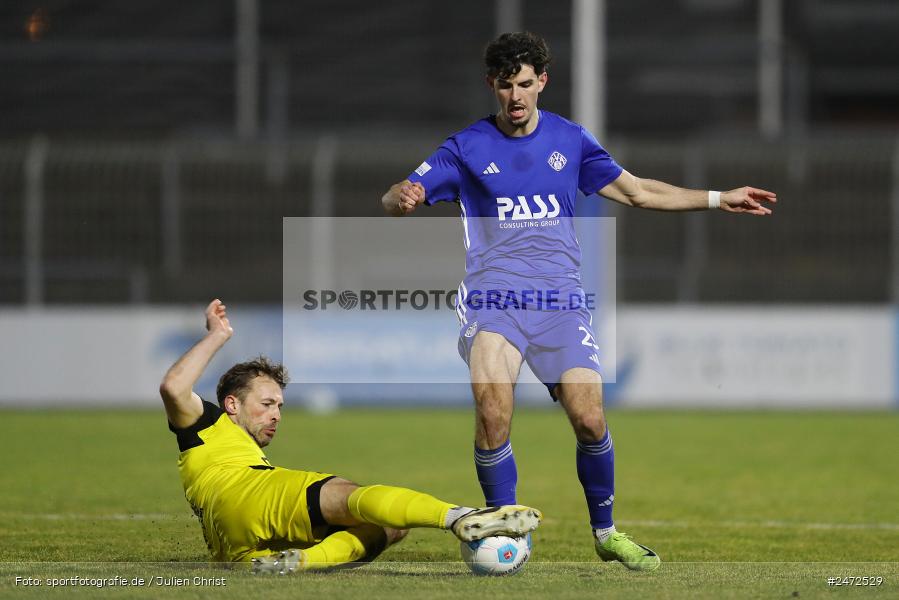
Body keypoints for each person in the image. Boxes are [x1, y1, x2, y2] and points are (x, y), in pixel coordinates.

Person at [381, 31, 776, 572]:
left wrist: (716, 197)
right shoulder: (466, 147)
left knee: (590, 419)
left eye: (524, 84)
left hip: (561, 303)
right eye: (505, 86)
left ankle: (606, 532)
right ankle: (503, 525)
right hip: (493, 301)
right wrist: (404, 198)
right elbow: (397, 193)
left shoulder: (570, 139)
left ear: (542, 81)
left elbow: (638, 192)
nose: (515, 96)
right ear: (491, 86)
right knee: (493, 409)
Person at [159, 299, 542, 574]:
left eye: (280, 406)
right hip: (249, 493)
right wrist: (218, 335)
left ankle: (299, 562)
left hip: (233, 548)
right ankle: (459, 516)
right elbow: (174, 388)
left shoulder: (226, 448)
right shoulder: (209, 424)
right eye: (267, 402)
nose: (276, 414)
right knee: (348, 495)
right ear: (231, 404)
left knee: (389, 528)